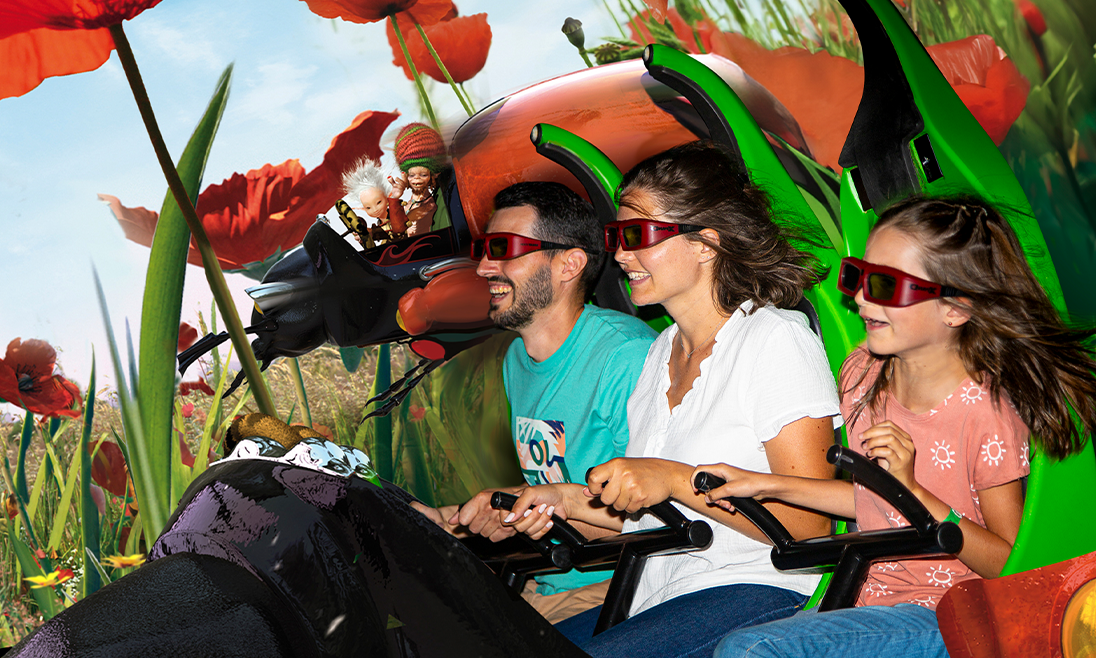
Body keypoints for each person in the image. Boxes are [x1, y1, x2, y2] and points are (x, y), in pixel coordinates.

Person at [708, 195, 1096, 658]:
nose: (859, 297)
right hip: (861, 596)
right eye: (859, 276)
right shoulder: (862, 375)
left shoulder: (985, 412)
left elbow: (1009, 566)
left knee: (752, 650)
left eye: (887, 286)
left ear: (955, 308)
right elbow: (874, 501)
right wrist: (764, 485)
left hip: (946, 614)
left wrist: (916, 492)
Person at [504, 141, 842, 658]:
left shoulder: (774, 338)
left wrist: (677, 478)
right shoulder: (659, 351)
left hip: (759, 589)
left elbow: (810, 526)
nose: (619, 254)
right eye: (617, 237)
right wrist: (568, 502)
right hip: (656, 596)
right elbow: (662, 520)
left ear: (706, 243)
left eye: (636, 236)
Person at [414, 181, 658, 623]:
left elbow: (659, 516)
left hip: (619, 585)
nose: (486, 267)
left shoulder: (625, 357)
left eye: (505, 248)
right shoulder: (516, 360)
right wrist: (452, 517)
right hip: (548, 576)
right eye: (485, 248)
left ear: (570, 264)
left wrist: (520, 506)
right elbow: (546, 495)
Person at [390, 122, 447, 238]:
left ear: (434, 175)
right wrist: (395, 197)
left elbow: (400, 227)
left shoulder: (430, 204)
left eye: (423, 175)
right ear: (405, 176)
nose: (416, 179)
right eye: (412, 175)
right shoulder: (408, 204)